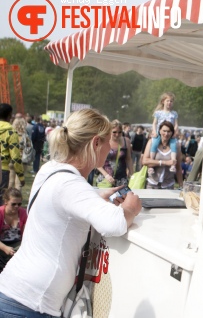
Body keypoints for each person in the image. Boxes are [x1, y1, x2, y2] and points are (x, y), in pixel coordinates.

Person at [0, 108, 142, 317]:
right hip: (29, 303)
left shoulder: (51, 168)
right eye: (107, 141)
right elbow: (114, 224)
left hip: (20, 293)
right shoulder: (71, 184)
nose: (111, 147)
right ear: (96, 143)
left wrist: (95, 198)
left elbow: (63, 205)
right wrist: (131, 207)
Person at [96, 120, 134, 186]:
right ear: (109, 131)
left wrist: (132, 174)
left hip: (122, 179)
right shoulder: (103, 141)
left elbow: (128, 159)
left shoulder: (126, 141)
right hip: (105, 178)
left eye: (120, 132)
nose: (117, 134)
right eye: (114, 132)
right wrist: (106, 175)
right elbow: (96, 162)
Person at [0, 104, 24, 204]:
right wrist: (21, 176)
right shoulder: (11, 132)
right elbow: (15, 157)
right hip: (3, 170)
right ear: (9, 116)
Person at [142, 121, 177, 189]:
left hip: (168, 184)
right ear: (160, 131)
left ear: (172, 132)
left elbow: (177, 165)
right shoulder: (152, 142)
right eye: (164, 131)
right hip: (152, 183)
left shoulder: (176, 145)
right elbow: (145, 161)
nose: (166, 134)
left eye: (169, 131)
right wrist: (165, 163)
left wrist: (181, 184)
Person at [150, 92, 179, 172]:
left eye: (171, 101)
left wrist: (175, 132)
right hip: (160, 133)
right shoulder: (158, 113)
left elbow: (176, 124)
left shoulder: (174, 114)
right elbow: (154, 123)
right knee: (154, 144)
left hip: (170, 134)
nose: (169, 103)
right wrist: (154, 131)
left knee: (173, 145)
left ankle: (173, 163)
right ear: (163, 101)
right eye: (168, 101)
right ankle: (151, 164)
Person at [0, 188, 26, 273]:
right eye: (13, 204)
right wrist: (5, 248)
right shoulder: (0, 213)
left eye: (19, 204)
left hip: (17, 246)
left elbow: (27, 235)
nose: (16, 207)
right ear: (6, 201)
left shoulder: (23, 213)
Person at [9, 118, 29, 189]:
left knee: (10, 181)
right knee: (19, 183)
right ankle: (17, 197)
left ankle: (8, 197)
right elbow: (29, 148)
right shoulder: (26, 136)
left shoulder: (11, 134)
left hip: (12, 158)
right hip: (22, 160)